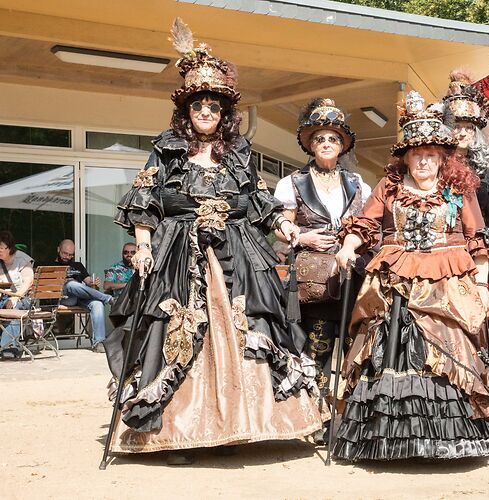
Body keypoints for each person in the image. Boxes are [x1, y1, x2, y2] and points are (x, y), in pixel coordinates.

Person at [104, 19, 325, 464]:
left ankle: (250, 424)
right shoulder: (166, 149)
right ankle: (177, 433)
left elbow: (260, 202)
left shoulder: (239, 153)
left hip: (236, 251)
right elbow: (144, 200)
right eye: (198, 105)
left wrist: (292, 230)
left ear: (224, 113)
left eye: (213, 106)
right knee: (175, 332)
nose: (205, 112)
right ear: (186, 112)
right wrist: (144, 245)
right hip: (177, 251)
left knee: (254, 326)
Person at [332, 91, 489, 461]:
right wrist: (348, 247)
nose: (423, 161)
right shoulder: (390, 187)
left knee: (454, 352)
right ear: (406, 157)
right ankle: (390, 439)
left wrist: (480, 285)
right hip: (395, 280)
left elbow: (478, 241)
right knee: (387, 352)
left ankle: (448, 438)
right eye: (416, 153)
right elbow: (365, 224)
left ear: (443, 157)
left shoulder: (459, 190)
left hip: (450, 282)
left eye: (431, 154)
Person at [273, 97, 371, 444]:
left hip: (352, 274)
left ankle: (341, 415)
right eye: (320, 139)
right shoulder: (292, 183)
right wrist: (300, 235)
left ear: (342, 145)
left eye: (333, 138)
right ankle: (313, 414)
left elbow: (370, 226)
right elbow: (281, 222)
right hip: (313, 276)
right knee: (316, 347)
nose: (326, 144)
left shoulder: (359, 184)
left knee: (349, 347)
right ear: (311, 145)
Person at [442, 69, 489, 241]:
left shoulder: (482, 169)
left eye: (468, 128)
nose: (463, 133)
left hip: (478, 240)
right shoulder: (437, 164)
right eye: (457, 126)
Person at [55, 239, 113, 353]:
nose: (67, 257)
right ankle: (108, 299)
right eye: (64, 253)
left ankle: (99, 342)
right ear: (58, 250)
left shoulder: (77, 265)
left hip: (79, 297)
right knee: (71, 284)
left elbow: (87, 282)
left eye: (70, 255)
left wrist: (92, 282)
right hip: (62, 298)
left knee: (97, 303)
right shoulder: (50, 265)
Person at [0, 231, 34, 359]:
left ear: (10, 248)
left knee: (13, 307)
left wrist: (15, 297)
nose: (0, 250)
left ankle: (9, 346)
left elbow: (28, 282)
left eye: (2, 248)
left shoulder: (22, 259)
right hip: (3, 296)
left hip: (23, 298)